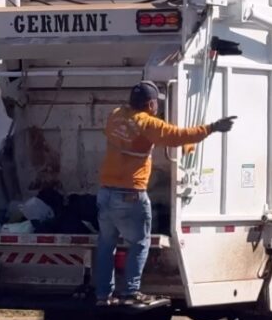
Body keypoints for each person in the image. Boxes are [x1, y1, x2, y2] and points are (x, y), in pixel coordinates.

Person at [95, 80, 236, 306]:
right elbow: (177, 135)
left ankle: (103, 295)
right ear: (151, 104)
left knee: (106, 244)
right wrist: (212, 127)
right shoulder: (148, 124)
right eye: (156, 104)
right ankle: (130, 292)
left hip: (105, 193)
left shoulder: (115, 115)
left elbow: (133, 129)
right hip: (131, 193)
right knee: (140, 242)